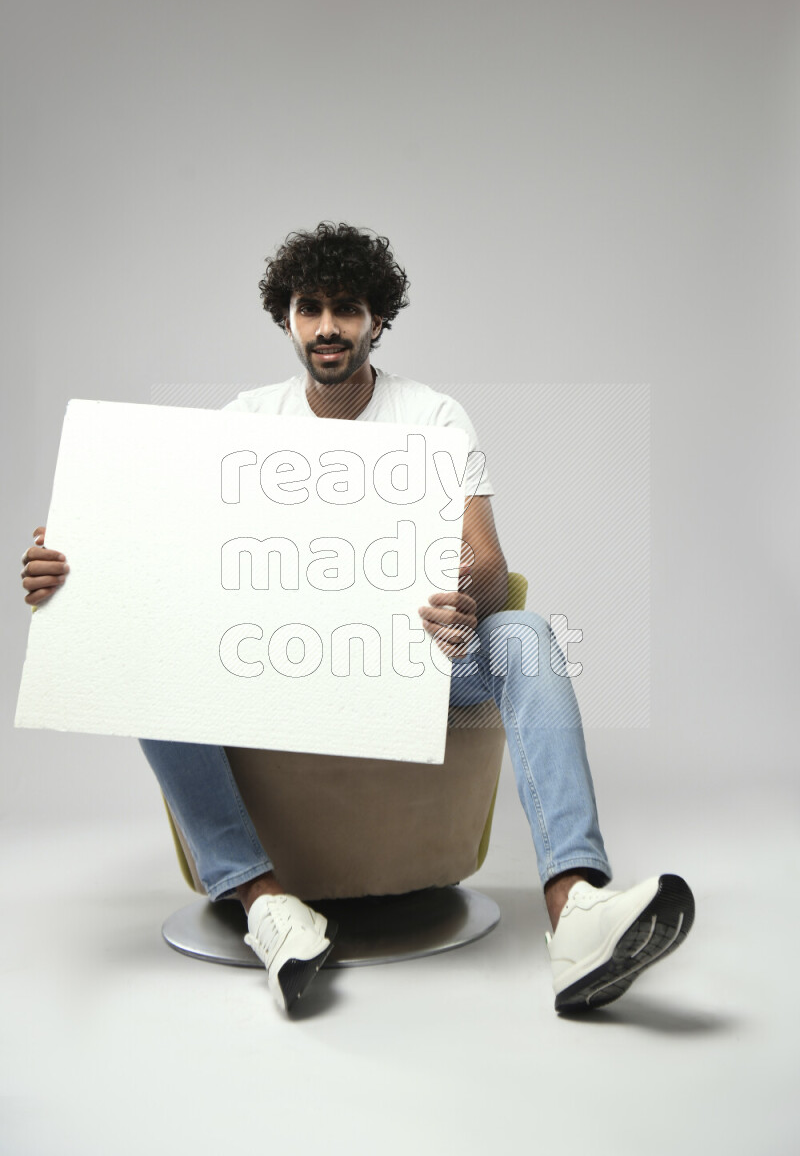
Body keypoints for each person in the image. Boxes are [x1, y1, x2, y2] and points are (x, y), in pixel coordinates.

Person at [21, 221, 695, 1014]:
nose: (328, 327)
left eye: (347, 308)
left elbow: (484, 556)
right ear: (287, 319)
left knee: (527, 635)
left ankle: (576, 908)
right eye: (311, 308)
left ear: (378, 319)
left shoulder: (433, 415)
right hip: (274, 661)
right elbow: (178, 558)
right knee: (146, 650)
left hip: (408, 661)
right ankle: (263, 904)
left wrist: (462, 592)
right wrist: (79, 565)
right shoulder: (247, 418)